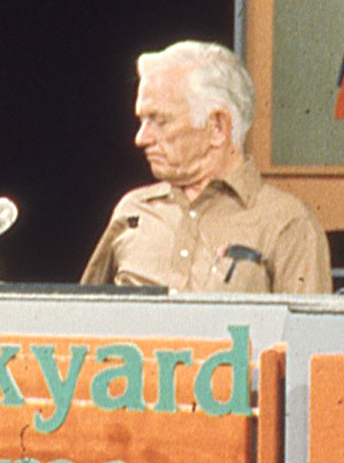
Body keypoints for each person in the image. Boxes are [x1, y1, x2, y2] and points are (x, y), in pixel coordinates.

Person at [79, 40, 329, 294]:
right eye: (142, 120)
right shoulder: (133, 211)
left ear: (217, 127)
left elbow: (308, 333)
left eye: (160, 121)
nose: (141, 138)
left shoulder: (287, 223)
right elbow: (79, 322)